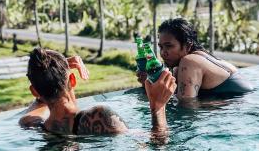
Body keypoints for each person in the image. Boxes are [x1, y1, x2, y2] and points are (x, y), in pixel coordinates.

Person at [19, 47, 176, 135]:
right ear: (72, 80)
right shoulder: (100, 117)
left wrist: (48, 74)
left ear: (34, 91)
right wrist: (158, 107)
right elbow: (157, 142)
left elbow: (36, 105)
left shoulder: (31, 125)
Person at [137, 18, 253, 105]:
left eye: (169, 46)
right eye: (161, 47)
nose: (163, 52)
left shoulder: (189, 62)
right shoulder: (201, 56)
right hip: (246, 103)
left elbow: (186, 108)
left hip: (239, 110)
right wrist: (149, 83)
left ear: (187, 46)